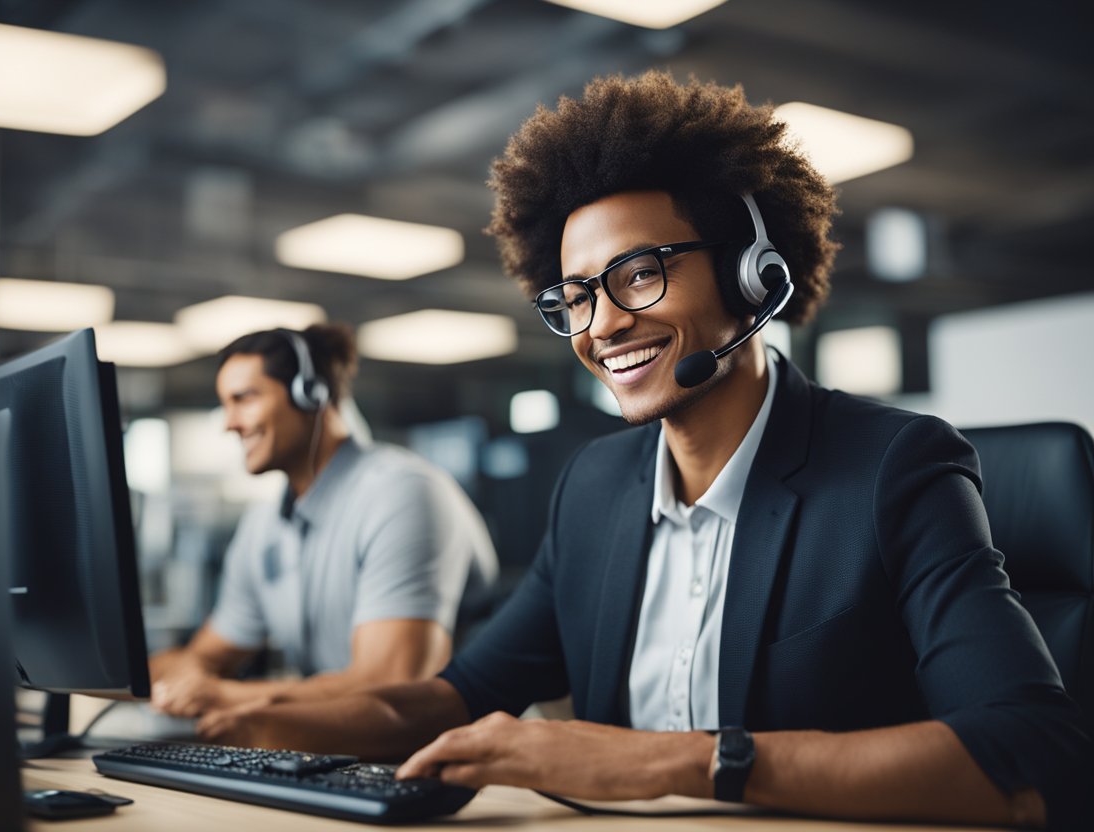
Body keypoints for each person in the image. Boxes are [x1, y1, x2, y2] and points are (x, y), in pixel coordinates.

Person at [192, 73, 1092, 828]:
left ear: (752, 275)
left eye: (638, 274)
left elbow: (1032, 754)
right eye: (576, 296)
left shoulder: (894, 467)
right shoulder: (596, 485)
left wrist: (672, 764)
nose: (603, 325)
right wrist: (256, 722)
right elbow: (454, 693)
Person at [150, 323, 499, 718]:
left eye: (243, 399)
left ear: (310, 394)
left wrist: (222, 697)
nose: (228, 423)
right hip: (344, 753)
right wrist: (174, 676)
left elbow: (393, 685)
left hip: (466, 754)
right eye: (225, 404)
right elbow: (206, 658)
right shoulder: (263, 527)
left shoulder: (402, 493)